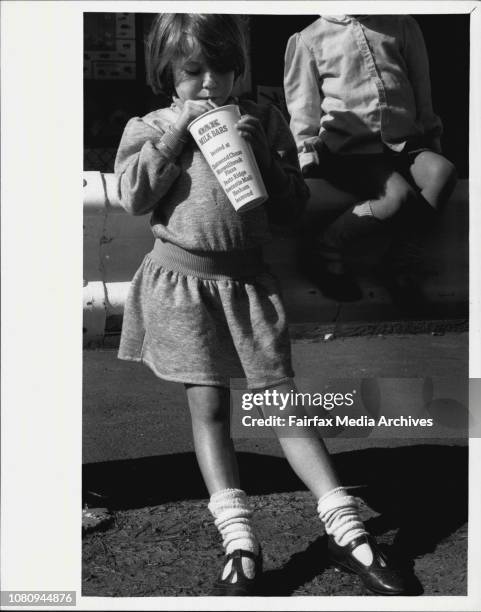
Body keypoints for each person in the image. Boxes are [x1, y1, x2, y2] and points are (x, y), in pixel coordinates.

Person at [115, 13, 410, 596]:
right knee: (211, 412)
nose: (210, 84)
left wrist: (266, 158)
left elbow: (290, 209)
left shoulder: (264, 119)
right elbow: (133, 195)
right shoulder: (148, 125)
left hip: (248, 287)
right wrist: (178, 133)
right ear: (166, 71)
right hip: (181, 285)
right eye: (194, 71)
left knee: (283, 406)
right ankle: (239, 542)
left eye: (222, 70)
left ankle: (347, 531)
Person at [284, 14, 457, 304]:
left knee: (442, 172)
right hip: (349, 149)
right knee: (397, 197)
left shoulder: (401, 25)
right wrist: (304, 155)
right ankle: (325, 247)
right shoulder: (309, 38)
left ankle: (399, 261)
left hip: (403, 144)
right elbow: (303, 109)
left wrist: (431, 135)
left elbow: (421, 88)